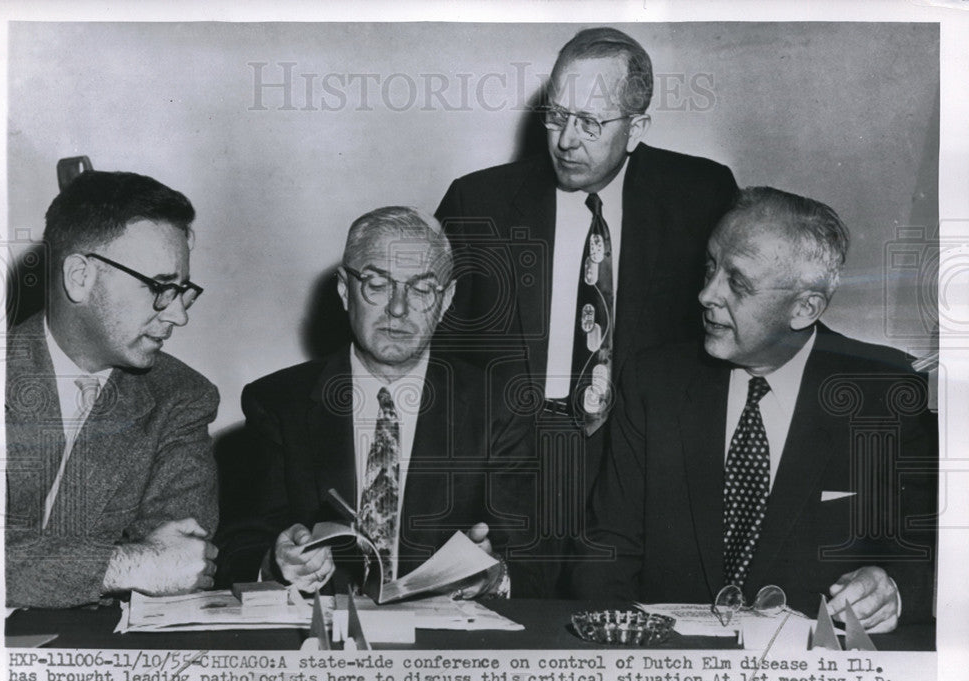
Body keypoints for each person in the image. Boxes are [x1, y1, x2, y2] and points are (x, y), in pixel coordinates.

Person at [435, 27, 737, 589]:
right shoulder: (479, 203)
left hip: (642, 463)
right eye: (555, 116)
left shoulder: (700, 195)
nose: (566, 140)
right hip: (516, 464)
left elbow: (746, 319)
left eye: (591, 123)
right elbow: (440, 359)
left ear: (637, 127)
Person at [571, 187, 937, 631]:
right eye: (710, 266)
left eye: (737, 283)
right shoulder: (654, 381)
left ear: (804, 308)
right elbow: (608, 549)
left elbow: (924, 554)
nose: (707, 294)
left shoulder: (886, 394)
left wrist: (890, 590)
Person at [216, 207, 541, 597]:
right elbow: (238, 550)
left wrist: (493, 575)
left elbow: (531, 559)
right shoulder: (278, 403)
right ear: (343, 290)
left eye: (421, 289)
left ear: (447, 298)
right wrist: (275, 561)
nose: (399, 308)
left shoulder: (500, 408)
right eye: (378, 284)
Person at [5, 170, 219, 608]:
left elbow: (180, 561)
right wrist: (127, 565)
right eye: (160, 288)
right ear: (80, 276)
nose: (179, 316)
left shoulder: (182, 397)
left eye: (182, 292)